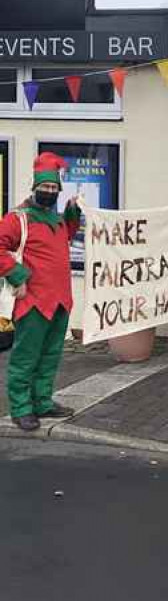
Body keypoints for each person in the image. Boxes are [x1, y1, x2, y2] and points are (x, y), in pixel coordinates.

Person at [0, 153, 81, 431]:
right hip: (33, 301)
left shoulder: (56, 219)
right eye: (45, 188)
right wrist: (17, 276)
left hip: (60, 301)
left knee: (50, 355)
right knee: (26, 357)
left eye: (53, 188)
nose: (49, 192)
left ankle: (42, 401)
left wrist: (72, 213)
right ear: (35, 187)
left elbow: (65, 238)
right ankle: (21, 408)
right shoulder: (18, 218)